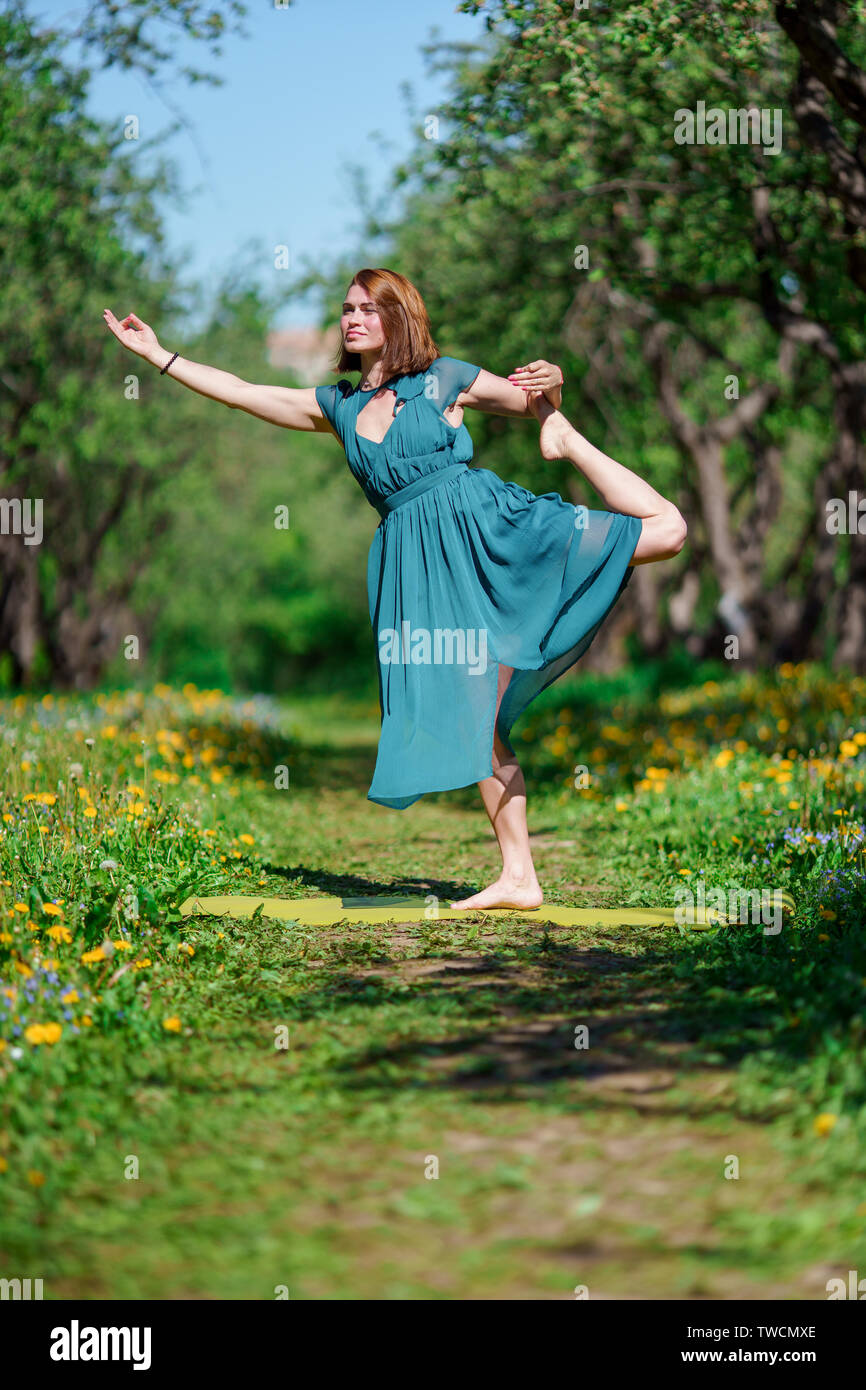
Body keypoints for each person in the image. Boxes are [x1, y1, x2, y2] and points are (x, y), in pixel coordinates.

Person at [103, 267, 685, 910]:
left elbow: (532, 397)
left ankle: (575, 447)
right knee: (477, 718)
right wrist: (159, 356)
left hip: (487, 530)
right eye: (347, 309)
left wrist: (554, 388)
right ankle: (519, 876)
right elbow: (242, 391)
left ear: (397, 317)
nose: (354, 318)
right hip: (420, 568)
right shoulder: (339, 406)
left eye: (369, 309)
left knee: (667, 531)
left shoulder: (445, 378)